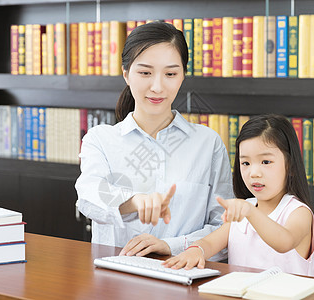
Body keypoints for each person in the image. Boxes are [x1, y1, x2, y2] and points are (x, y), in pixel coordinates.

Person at [75, 21, 233, 259]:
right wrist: (134, 201)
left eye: (170, 74)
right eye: (145, 73)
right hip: (116, 282)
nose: (157, 86)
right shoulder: (101, 139)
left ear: (182, 77)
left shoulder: (207, 143)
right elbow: (89, 197)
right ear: (126, 74)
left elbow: (225, 227)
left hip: (185, 279)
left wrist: (173, 246)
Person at [163, 114, 314, 277]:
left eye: (266, 162)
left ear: (291, 166)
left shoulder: (298, 212)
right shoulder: (244, 209)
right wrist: (195, 250)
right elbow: (210, 242)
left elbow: (284, 242)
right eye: (245, 163)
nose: (254, 173)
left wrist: (250, 212)